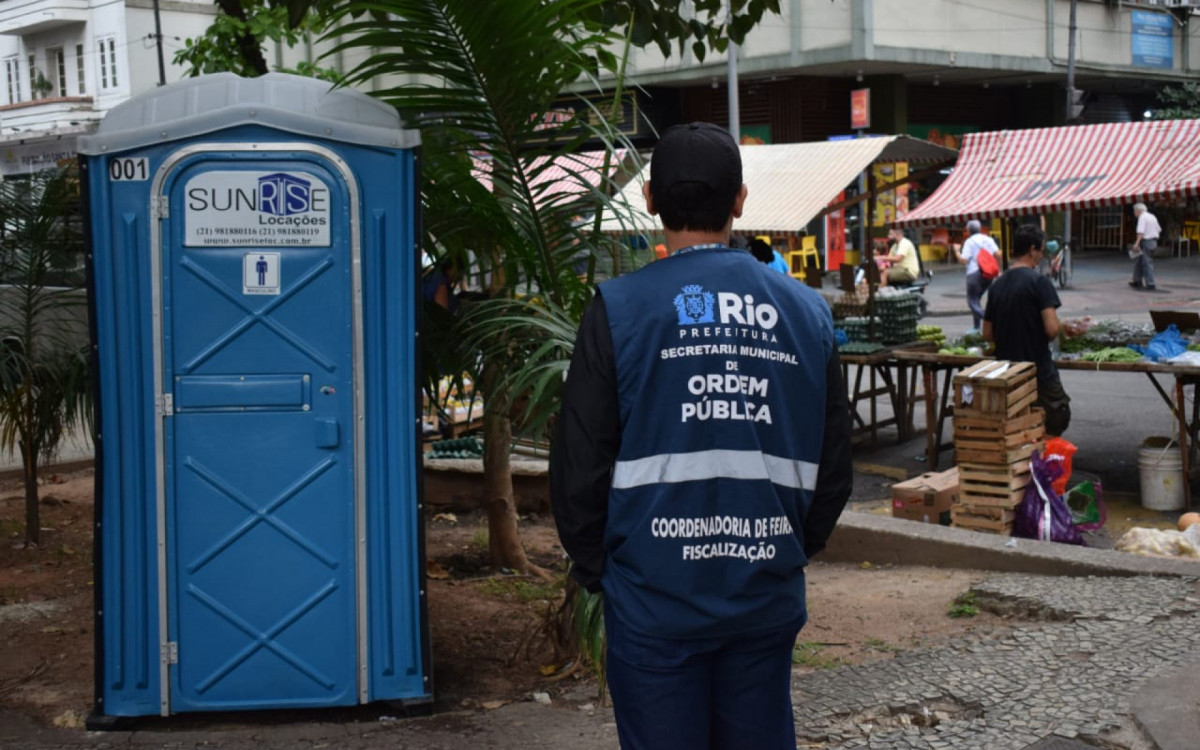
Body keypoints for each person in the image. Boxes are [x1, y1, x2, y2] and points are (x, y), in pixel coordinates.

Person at [550, 122, 853, 750]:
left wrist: (604, 571)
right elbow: (834, 468)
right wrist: (787, 552)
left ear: (650, 200)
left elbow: (579, 463)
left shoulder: (619, 310)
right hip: (763, 595)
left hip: (653, 601)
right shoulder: (807, 313)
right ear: (739, 200)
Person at [983, 224, 1071, 437]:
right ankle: (1042, 456)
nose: (1042, 256)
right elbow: (1051, 329)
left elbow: (987, 334)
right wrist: (1063, 328)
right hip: (1037, 371)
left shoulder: (997, 286)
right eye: (1041, 250)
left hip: (1007, 371)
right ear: (1032, 249)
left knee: (1018, 425)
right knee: (1057, 417)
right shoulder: (1039, 282)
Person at [957, 219, 1001, 330]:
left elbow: (964, 260)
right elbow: (998, 254)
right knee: (976, 300)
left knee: (972, 302)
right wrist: (997, 267)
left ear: (968, 230)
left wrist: (956, 251)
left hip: (974, 273)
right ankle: (976, 327)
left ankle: (991, 320)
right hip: (988, 274)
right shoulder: (988, 239)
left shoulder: (969, 242)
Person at [1129, 202, 1162, 291]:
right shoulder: (1152, 216)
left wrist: (1136, 243)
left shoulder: (1142, 218)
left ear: (1138, 210)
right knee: (1139, 261)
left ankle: (1150, 283)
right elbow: (1159, 229)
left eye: (1134, 211)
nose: (1134, 213)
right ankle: (1137, 280)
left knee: (1146, 263)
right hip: (1153, 240)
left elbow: (1141, 232)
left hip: (1146, 241)